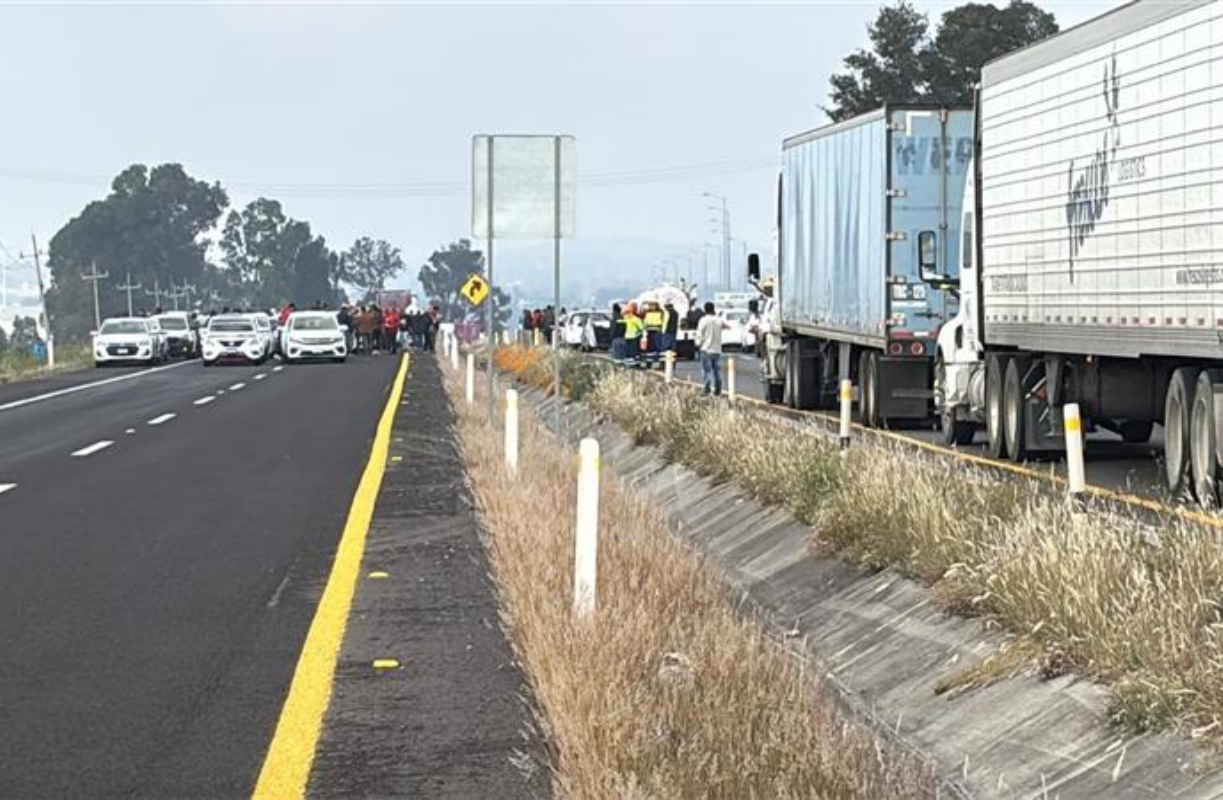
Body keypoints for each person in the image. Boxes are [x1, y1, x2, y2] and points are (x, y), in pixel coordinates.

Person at [696, 301, 725, 396]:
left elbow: (700, 334)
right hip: (717, 349)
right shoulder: (718, 320)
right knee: (716, 370)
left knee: (706, 370)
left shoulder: (703, 320)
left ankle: (707, 389)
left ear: (705, 310)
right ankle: (718, 389)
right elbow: (725, 326)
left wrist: (698, 344)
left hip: (706, 348)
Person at [622, 302, 645, 368]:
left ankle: (628, 363)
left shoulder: (625, 318)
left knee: (628, 350)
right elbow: (641, 327)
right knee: (634, 351)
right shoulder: (636, 319)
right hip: (634, 336)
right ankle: (634, 364)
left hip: (627, 336)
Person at [643, 301, 665, 368]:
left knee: (657, 348)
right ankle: (650, 362)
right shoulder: (648, 313)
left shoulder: (659, 313)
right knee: (651, 348)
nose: (651, 307)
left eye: (652, 305)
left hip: (655, 331)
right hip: (651, 331)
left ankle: (660, 362)